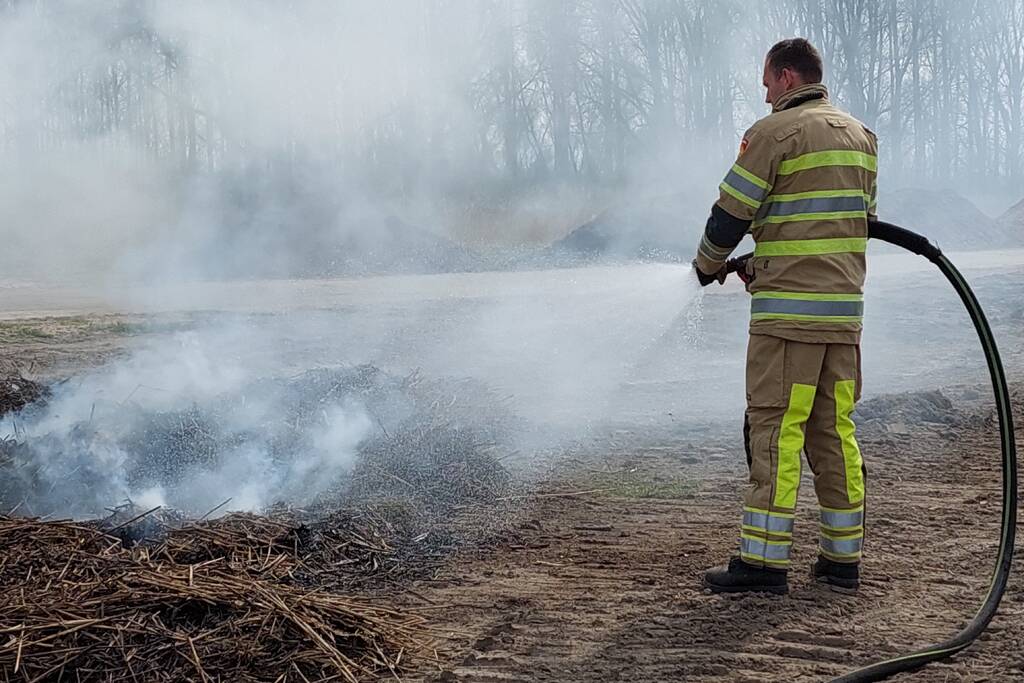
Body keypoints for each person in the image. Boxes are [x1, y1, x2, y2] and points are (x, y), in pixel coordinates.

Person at [693, 38, 877, 595]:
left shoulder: (773, 132)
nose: (764, 90)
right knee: (833, 431)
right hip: (842, 320)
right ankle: (842, 562)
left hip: (787, 324)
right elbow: (849, 224)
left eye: (768, 79)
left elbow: (731, 213)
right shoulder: (862, 138)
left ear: (789, 78)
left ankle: (764, 564)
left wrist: (707, 267)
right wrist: (766, 259)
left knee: (775, 431)